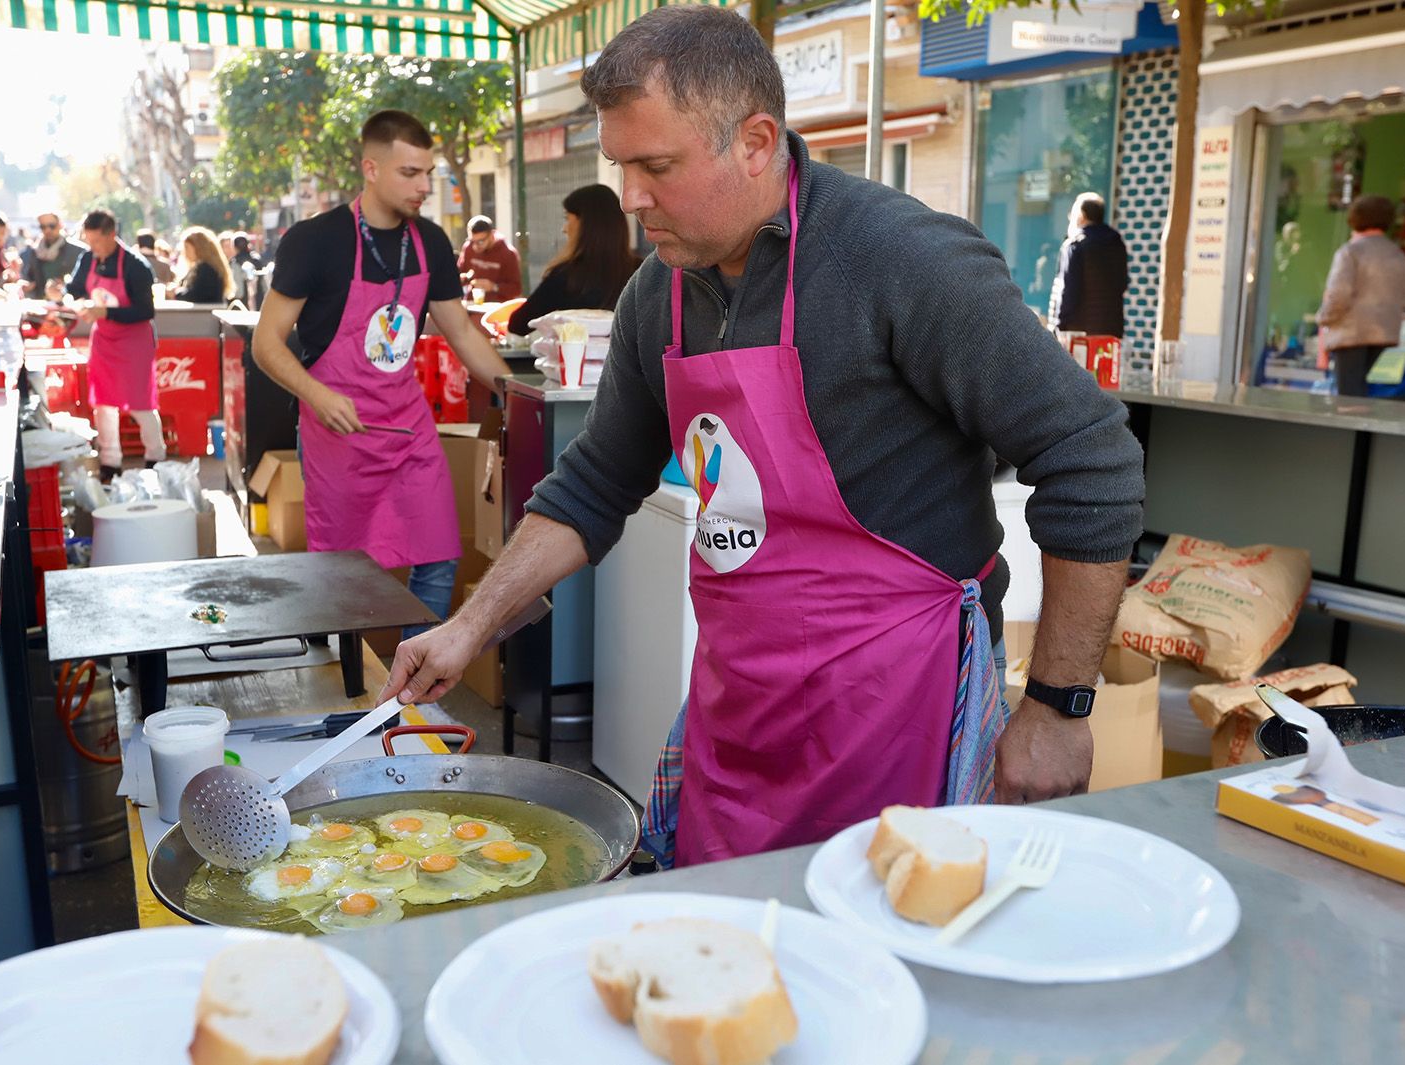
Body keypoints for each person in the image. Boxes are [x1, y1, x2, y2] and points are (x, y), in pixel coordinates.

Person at [379, 8, 1145, 868]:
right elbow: (595, 483)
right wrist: (470, 626)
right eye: (621, 166)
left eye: (656, 166)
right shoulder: (657, 296)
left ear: (755, 140)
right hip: (741, 705)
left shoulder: (897, 259)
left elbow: (1094, 458)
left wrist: (1057, 706)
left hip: (900, 708)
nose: (631, 198)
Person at [252, 109, 510, 633]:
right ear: (371, 169)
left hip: (407, 428)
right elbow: (265, 344)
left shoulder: (432, 242)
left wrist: (514, 391)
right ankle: (348, 686)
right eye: (409, 174)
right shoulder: (316, 240)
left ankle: (416, 686)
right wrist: (317, 396)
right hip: (336, 431)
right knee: (341, 574)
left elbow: (461, 332)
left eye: (428, 174)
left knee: (438, 555)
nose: (423, 187)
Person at [66, 208, 166, 481]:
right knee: (103, 404)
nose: (93, 248)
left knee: (141, 404)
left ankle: (155, 459)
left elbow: (146, 311)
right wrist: (71, 300)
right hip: (104, 341)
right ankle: (110, 463)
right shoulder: (88, 258)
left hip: (134, 341)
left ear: (112, 235)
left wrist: (106, 312)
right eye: (89, 241)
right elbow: (73, 288)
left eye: (97, 241)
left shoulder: (136, 266)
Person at [507, 185, 640, 336]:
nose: (564, 228)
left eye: (567, 218)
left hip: (576, 359)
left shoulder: (566, 275)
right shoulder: (642, 271)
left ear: (584, 224)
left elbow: (517, 324)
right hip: (633, 360)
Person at [1316, 194, 1405, 398]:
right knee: (1359, 388)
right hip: (1384, 332)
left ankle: (1352, 430)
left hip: (1351, 331)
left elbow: (1338, 294)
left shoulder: (1351, 252)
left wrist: (1323, 318)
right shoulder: (1397, 254)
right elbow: (1404, 296)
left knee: (1349, 394)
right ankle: (1361, 429)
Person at [1048, 192, 1128, 337]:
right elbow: (1122, 284)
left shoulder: (1075, 245)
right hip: (1111, 331)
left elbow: (1068, 290)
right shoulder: (1117, 243)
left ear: (1081, 216)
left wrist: (1058, 326)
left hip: (1079, 333)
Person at [456, 216, 522, 302]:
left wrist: (494, 287)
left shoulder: (508, 253)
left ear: (491, 235)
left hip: (497, 307)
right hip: (473, 303)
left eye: (480, 241)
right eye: (472, 241)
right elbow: (460, 273)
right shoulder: (468, 247)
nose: (475, 246)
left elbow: (516, 289)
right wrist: (463, 278)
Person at [22, 212, 86, 298]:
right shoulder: (34, 251)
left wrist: (65, 285)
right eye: (43, 227)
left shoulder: (78, 250)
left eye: (52, 226)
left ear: (60, 225)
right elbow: (28, 277)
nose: (48, 230)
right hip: (41, 304)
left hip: (67, 303)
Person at [173, 227, 235, 303]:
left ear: (199, 247)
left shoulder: (206, 269)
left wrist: (176, 292)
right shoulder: (205, 267)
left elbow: (195, 295)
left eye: (187, 247)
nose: (185, 252)